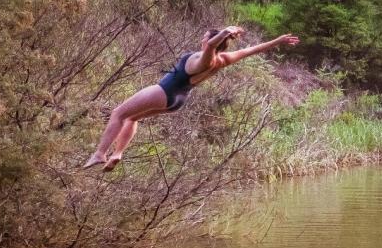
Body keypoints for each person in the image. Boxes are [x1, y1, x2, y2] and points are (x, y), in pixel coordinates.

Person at [83, 26, 300, 171]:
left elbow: (211, 46)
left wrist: (225, 31)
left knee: (118, 114)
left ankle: (100, 153)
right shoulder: (224, 59)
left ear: (210, 40)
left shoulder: (204, 59)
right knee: (132, 118)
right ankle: (117, 153)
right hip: (177, 101)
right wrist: (278, 41)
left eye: (205, 36)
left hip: (164, 92)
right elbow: (251, 50)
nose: (203, 38)